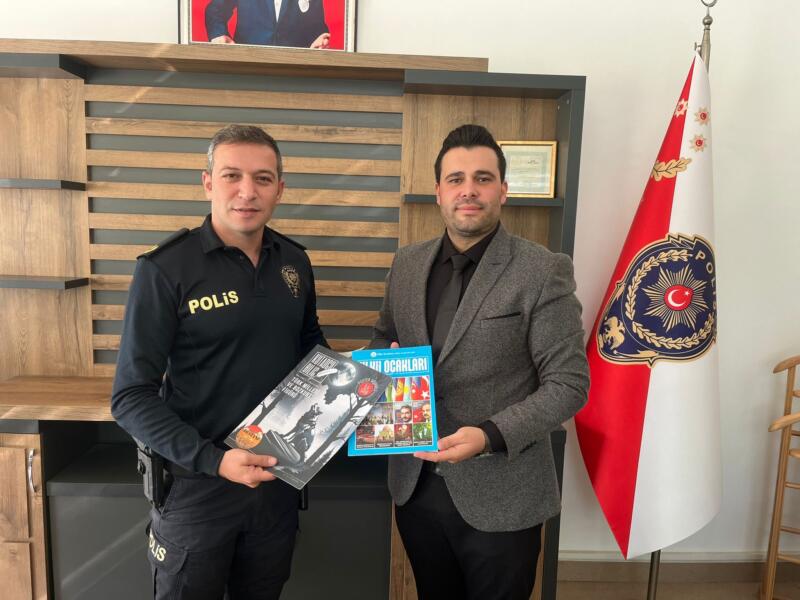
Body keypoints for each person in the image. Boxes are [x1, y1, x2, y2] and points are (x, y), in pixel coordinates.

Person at [371, 124, 590, 600]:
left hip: (502, 492)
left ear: (503, 190)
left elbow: (569, 384)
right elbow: (385, 338)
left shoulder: (542, 269)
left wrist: (489, 435)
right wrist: (382, 367)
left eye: (482, 178)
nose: (468, 190)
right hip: (414, 485)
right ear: (438, 192)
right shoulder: (406, 265)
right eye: (456, 179)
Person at [111, 124, 327, 600]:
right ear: (208, 182)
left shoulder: (294, 262)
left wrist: (370, 370)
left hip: (277, 482)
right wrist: (215, 461)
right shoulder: (165, 269)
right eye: (232, 175)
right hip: (197, 489)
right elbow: (130, 397)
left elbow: (311, 353)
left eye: (263, 178)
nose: (247, 191)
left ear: (280, 189)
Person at [205, 0, 330, 48]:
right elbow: (215, 10)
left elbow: (316, 25)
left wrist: (319, 39)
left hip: (295, 70)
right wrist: (219, 34)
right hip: (247, 66)